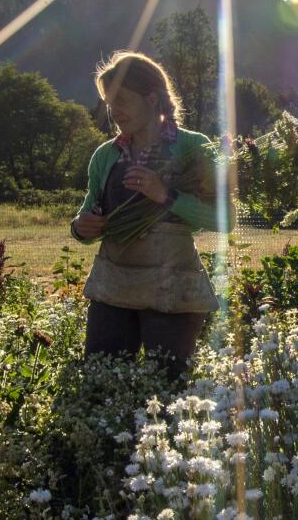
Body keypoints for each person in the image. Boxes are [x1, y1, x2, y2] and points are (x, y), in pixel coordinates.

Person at [68, 50, 227, 379]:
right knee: (101, 382)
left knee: (167, 387)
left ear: (151, 98)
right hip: (113, 287)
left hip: (173, 291)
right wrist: (82, 228)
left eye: (122, 100)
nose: (114, 112)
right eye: (110, 103)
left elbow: (225, 218)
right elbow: (88, 215)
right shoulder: (105, 155)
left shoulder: (192, 148)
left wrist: (165, 195)